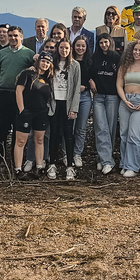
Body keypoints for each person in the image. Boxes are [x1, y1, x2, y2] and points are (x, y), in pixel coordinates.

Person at [0, 27, 35, 158]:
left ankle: (16, 157)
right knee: (1, 126)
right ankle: (0, 155)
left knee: (18, 127)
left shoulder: (29, 53)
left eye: (15, 35)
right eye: (10, 35)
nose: (12, 38)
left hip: (20, 95)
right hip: (3, 93)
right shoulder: (1, 53)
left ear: (21, 37)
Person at [13, 52, 55, 179]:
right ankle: (18, 169)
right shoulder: (27, 74)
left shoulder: (49, 78)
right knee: (21, 141)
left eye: (48, 62)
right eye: (43, 61)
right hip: (26, 112)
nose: (45, 64)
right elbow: (19, 91)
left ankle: (39, 167)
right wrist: (22, 109)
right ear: (38, 61)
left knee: (40, 139)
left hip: (41, 113)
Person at [116, 40, 140, 177]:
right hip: (126, 101)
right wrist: (124, 100)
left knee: (134, 134)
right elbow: (119, 85)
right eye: (135, 50)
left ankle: (133, 166)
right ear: (131, 51)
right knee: (124, 134)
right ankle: (124, 164)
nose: (137, 52)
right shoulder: (124, 67)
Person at [47, 40, 81, 180]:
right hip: (54, 104)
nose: (64, 50)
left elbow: (77, 88)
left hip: (67, 105)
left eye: (66, 48)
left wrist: (74, 108)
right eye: (61, 47)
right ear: (57, 49)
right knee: (54, 133)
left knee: (68, 134)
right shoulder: (52, 63)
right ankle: (52, 164)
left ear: (70, 49)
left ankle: (70, 167)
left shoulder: (75, 65)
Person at [90, 34, 121, 173]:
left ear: (110, 42)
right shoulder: (94, 57)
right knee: (100, 127)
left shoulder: (116, 58)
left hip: (112, 96)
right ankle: (107, 161)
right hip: (98, 96)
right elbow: (88, 71)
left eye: (106, 42)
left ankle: (102, 158)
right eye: (101, 42)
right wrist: (90, 80)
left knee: (110, 128)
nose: (103, 45)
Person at [71, 35, 94, 168]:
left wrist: (87, 83)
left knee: (81, 128)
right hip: (70, 97)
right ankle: (67, 153)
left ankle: (77, 154)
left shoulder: (89, 61)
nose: (80, 48)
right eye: (78, 45)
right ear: (74, 46)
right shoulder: (70, 61)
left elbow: (92, 77)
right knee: (70, 127)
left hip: (85, 97)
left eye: (83, 46)